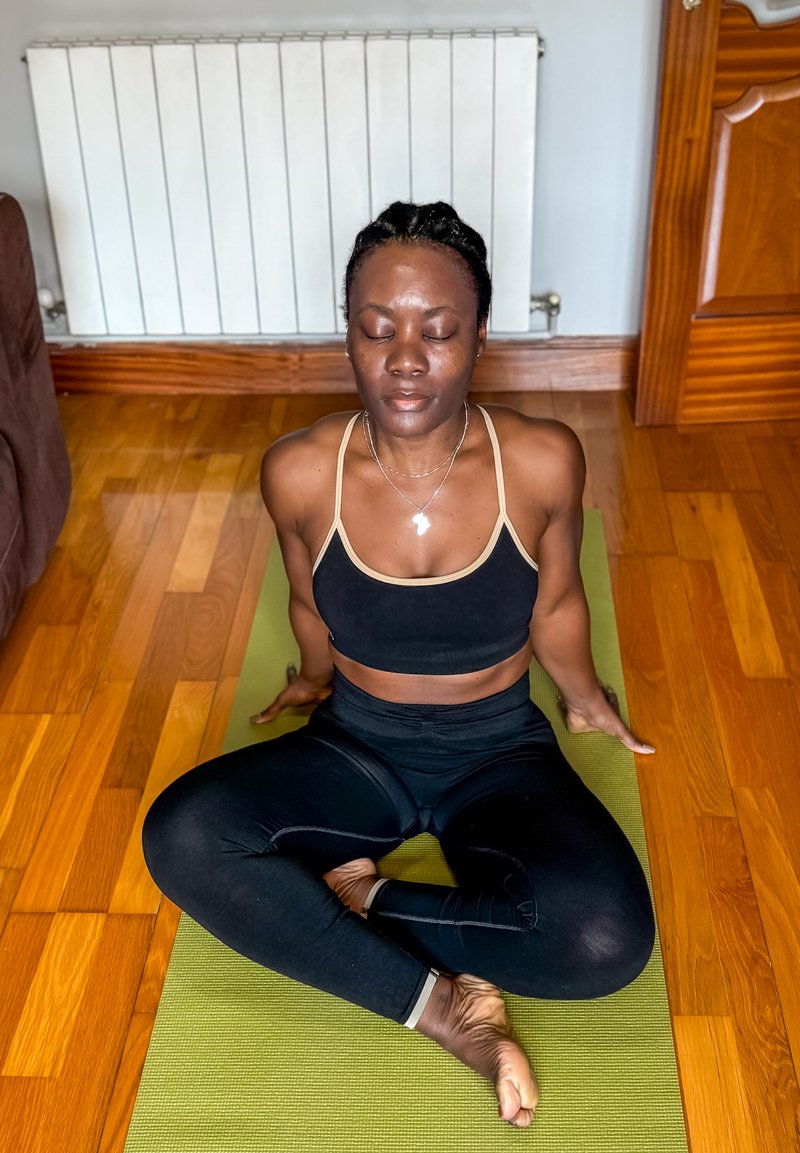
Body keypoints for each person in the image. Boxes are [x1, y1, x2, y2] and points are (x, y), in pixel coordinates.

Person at [142, 201, 656, 1130]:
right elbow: (308, 599)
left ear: (480, 336)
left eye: (439, 330)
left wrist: (583, 698)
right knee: (180, 835)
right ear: (350, 331)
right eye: (378, 329)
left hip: (498, 750)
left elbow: (559, 600)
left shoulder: (541, 459)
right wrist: (307, 677)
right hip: (357, 742)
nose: (407, 357)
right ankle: (444, 1009)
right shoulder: (299, 470)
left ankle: (358, 892)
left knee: (607, 941)